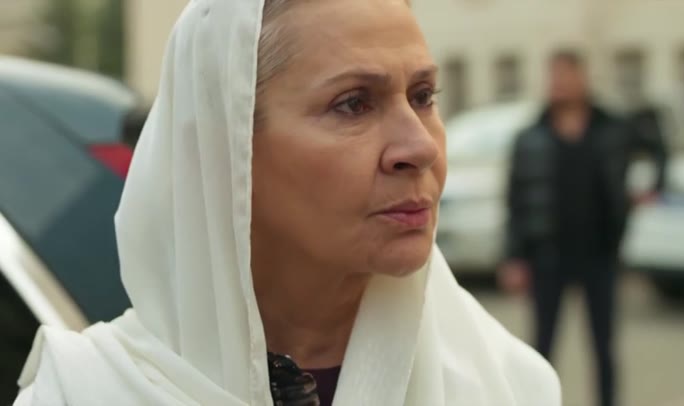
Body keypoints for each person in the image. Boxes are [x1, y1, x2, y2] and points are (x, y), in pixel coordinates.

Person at [14, 1, 561, 405]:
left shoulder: (507, 384)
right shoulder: (86, 392)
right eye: (354, 104)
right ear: (230, 152)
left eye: (423, 96)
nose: (420, 147)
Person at [500, 51, 667, 406]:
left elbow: (658, 145)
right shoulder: (531, 136)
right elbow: (515, 200)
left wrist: (653, 187)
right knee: (542, 348)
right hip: (548, 255)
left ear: (582, 78)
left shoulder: (612, 128)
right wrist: (514, 257)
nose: (559, 83)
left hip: (600, 253)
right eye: (554, 76)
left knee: (604, 347)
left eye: (566, 75)